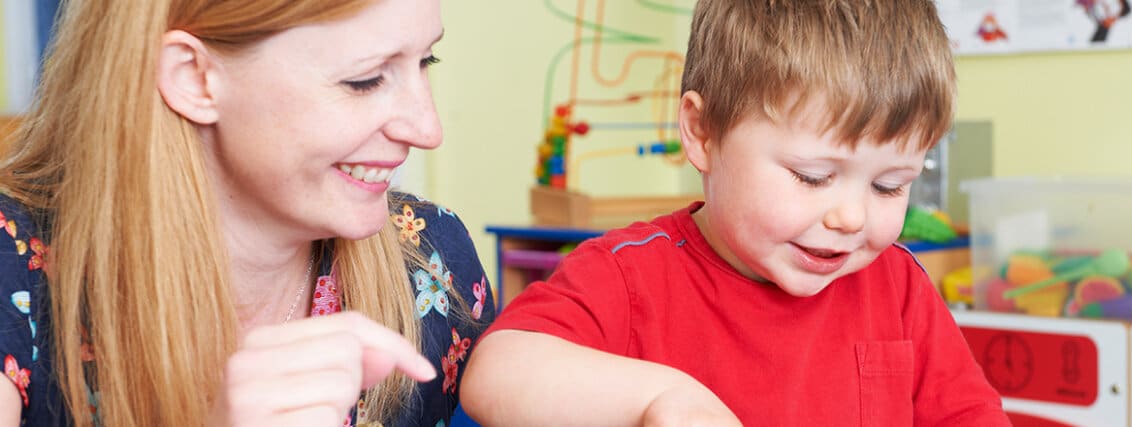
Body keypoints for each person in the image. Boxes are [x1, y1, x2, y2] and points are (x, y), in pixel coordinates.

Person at [461, 0, 1010, 425]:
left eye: (890, 186)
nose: (852, 217)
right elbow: (495, 374)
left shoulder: (898, 287)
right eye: (811, 176)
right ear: (703, 133)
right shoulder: (629, 277)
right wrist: (659, 397)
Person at [0, 0, 494, 425]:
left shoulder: (431, 261)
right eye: (364, 80)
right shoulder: (14, 268)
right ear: (194, 78)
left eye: (426, 60)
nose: (428, 130)